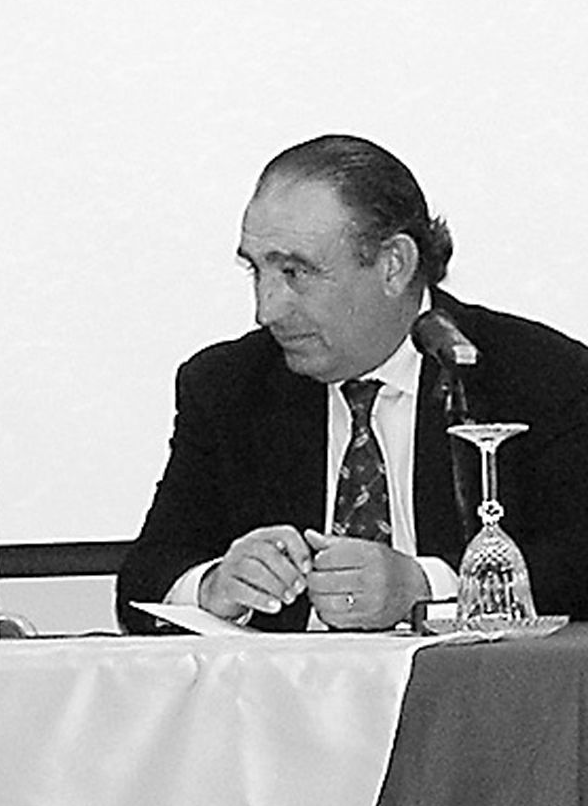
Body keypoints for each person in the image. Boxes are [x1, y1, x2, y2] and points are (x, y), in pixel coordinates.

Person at [117, 134, 588, 633]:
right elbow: (145, 581)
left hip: (465, 702)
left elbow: (577, 568)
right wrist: (213, 587)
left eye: (296, 271)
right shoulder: (226, 386)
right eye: (257, 269)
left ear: (394, 265)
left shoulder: (539, 377)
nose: (266, 309)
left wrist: (426, 587)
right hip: (286, 703)